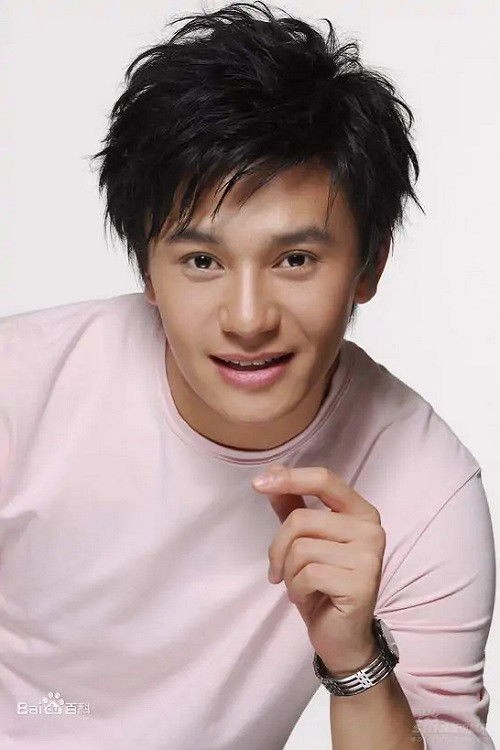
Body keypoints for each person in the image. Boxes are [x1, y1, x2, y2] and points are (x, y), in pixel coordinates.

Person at [0, 2, 496, 748]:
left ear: (369, 267)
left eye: (295, 259)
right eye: (202, 261)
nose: (247, 317)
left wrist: (358, 660)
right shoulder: (20, 388)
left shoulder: (427, 487)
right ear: (148, 270)